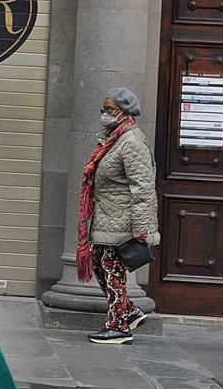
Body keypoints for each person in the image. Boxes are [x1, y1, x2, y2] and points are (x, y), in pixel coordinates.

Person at [76, 87, 160, 345]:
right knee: (101, 268)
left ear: (125, 112)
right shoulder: (113, 138)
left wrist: (142, 227)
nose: (105, 114)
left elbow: (143, 186)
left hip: (122, 220)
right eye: (104, 109)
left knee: (112, 271)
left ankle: (118, 326)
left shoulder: (132, 142)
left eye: (110, 110)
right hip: (106, 217)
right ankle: (129, 311)